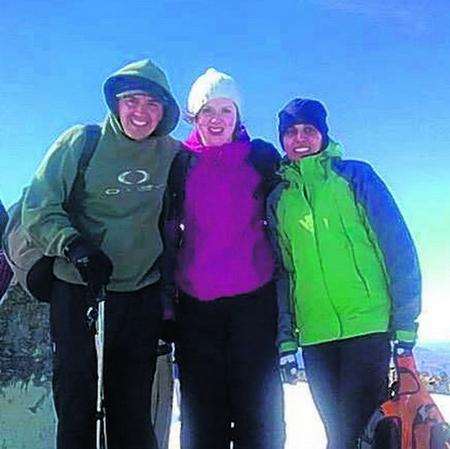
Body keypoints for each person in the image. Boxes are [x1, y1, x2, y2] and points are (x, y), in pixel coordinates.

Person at [21, 58, 181, 449]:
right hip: (80, 292)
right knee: (78, 404)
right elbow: (38, 208)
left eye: (151, 104)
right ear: (115, 103)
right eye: (131, 101)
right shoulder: (82, 142)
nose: (140, 113)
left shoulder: (172, 153)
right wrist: (74, 246)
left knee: (132, 410)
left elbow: (211, 166)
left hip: (140, 295)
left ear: (164, 112)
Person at [267, 98, 421, 449]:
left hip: (367, 326)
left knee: (365, 433)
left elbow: (397, 248)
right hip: (316, 336)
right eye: (290, 132)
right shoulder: (279, 199)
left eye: (309, 129)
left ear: (323, 133)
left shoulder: (355, 176)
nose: (300, 138)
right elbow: (284, 274)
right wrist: (287, 339)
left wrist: (405, 322)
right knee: (337, 434)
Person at [162, 68, 286, 449]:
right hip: (196, 307)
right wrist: (167, 307)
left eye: (225, 110)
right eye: (207, 111)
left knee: (259, 412)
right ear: (194, 116)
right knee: (202, 415)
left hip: (254, 300)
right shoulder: (179, 162)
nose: (216, 120)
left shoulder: (260, 157)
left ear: (238, 116)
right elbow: (165, 232)